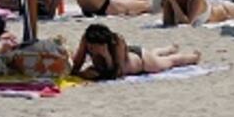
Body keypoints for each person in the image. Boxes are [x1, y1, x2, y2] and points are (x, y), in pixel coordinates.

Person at [70, 24, 200, 81]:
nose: (90, 50)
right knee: (154, 54)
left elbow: (117, 73)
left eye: (94, 47)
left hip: (141, 61)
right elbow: (77, 64)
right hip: (130, 55)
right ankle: (168, 49)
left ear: (103, 44)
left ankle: (194, 57)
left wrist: (106, 56)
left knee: (169, 62)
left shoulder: (117, 42)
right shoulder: (87, 39)